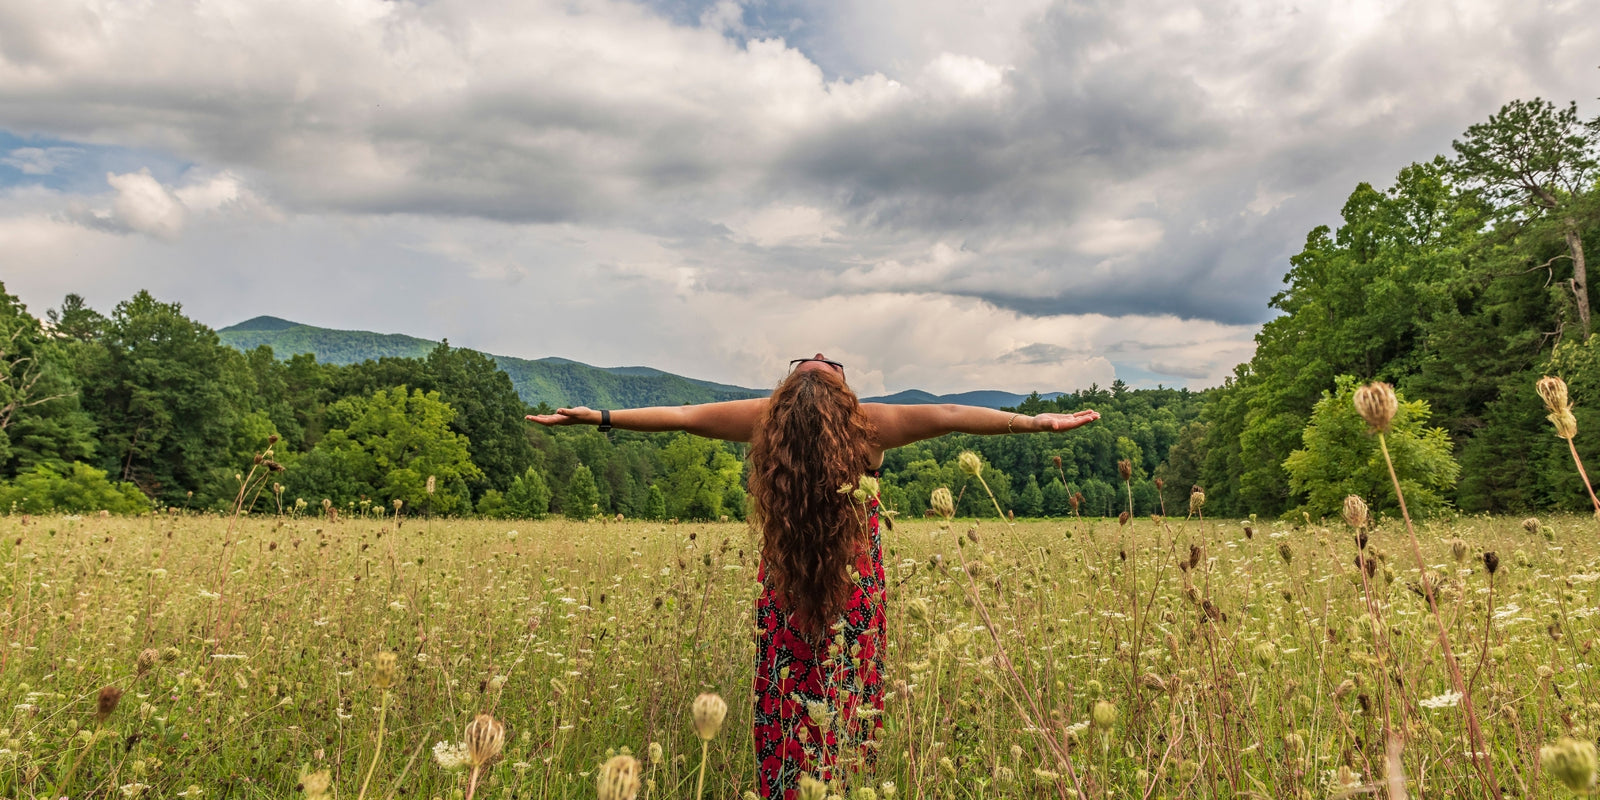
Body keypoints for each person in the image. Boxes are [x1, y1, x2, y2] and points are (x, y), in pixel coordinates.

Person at [526, 354, 1099, 797]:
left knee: (785, 700)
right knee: (848, 694)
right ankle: (847, 782)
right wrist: (1036, 423)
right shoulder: (867, 427)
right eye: (824, 361)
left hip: (784, 589)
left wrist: (599, 416)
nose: (823, 357)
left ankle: (786, 789)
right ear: (840, 393)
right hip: (856, 594)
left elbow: (682, 419)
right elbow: (951, 417)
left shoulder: (764, 421)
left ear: (787, 395)